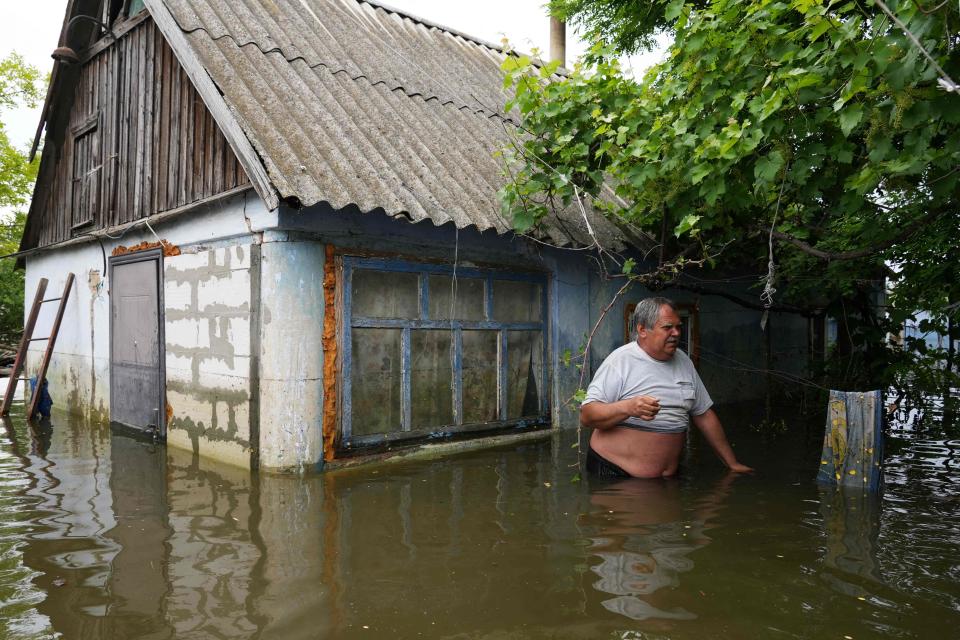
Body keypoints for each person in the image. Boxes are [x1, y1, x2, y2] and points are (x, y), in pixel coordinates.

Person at [580, 297, 753, 479]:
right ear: (642, 330)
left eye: (679, 327)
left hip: (666, 479)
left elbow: (704, 415)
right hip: (615, 474)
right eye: (667, 327)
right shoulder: (620, 361)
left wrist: (732, 463)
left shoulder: (684, 362)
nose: (676, 333)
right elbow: (587, 415)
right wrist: (628, 407)